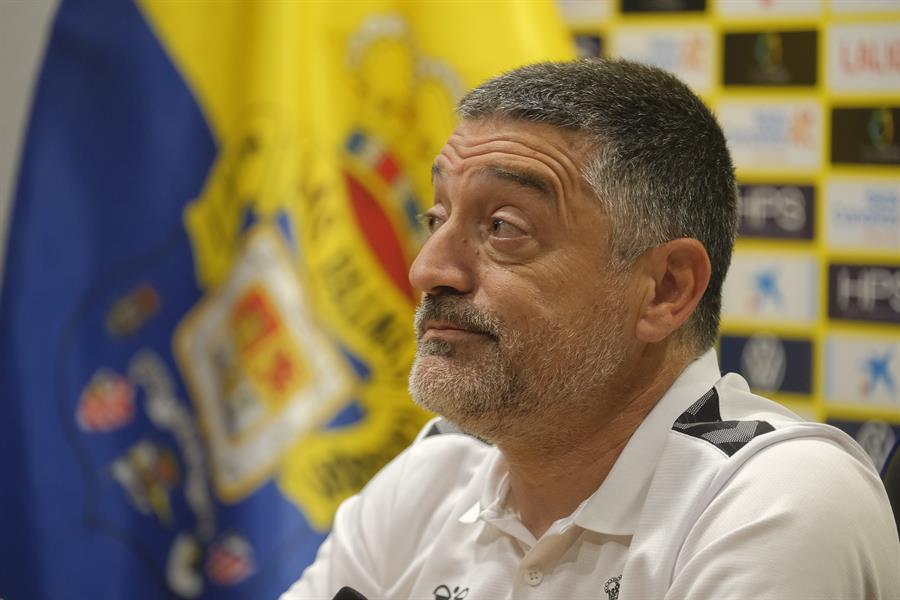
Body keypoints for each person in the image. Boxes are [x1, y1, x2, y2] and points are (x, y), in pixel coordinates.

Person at [282, 59, 900, 600]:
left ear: (665, 289)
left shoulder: (775, 500)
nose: (427, 269)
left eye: (503, 226)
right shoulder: (429, 480)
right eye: (435, 216)